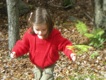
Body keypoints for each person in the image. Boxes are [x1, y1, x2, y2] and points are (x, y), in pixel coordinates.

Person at [10, 7, 76, 80]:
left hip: (49, 64)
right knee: (37, 77)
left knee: (46, 78)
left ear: (49, 26)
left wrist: (71, 53)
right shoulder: (30, 35)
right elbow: (23, 44)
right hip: (36, 63)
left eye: (44, 29)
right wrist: (16, 52)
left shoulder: (54, 35)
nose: (40, 32)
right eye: (37, 29)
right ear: (32, 26)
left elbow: (64, 44)